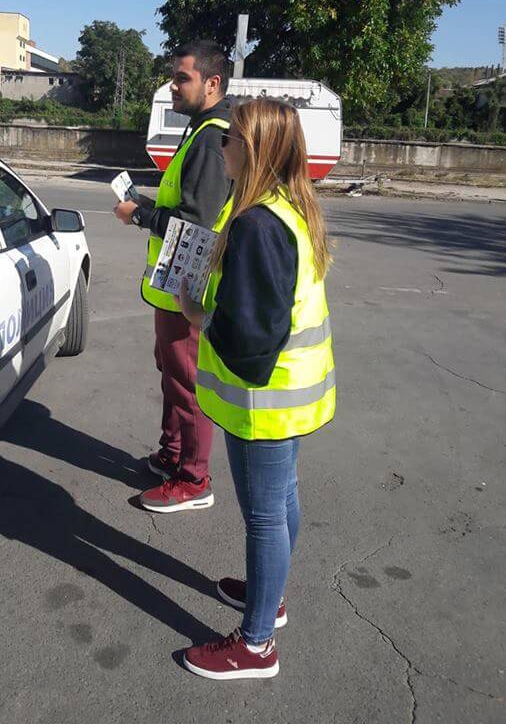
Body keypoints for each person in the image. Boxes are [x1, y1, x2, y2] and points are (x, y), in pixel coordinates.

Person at [175, 97, 335, 680]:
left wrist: (196, 311)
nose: (221, 149)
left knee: (265, 516)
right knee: (282, 501)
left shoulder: (256, 224)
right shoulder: (292, 206)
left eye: (231, 140)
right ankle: (270, 596)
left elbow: (251, 335)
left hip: (264, 401)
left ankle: (257, 643)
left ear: (257, 149)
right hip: (294, 394)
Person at [113, 41, 232, 513]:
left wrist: (140, 217)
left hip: (188, 284)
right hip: (175, 282)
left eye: (182, 77)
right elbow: (184, 206)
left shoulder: (210, 138)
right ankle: (174, 455)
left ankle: (193, 479)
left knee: (187, 381)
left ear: (212, 83)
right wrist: (145, 204)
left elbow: (196, 225)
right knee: (172, 374)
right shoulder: (201, 130)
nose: (172, 85)